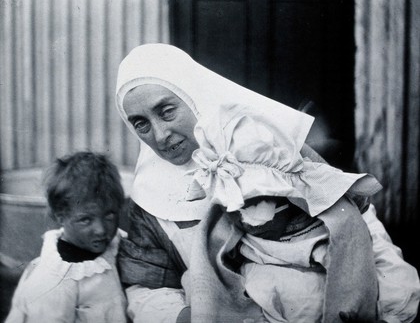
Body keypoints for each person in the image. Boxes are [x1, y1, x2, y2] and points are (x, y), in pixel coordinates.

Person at [115, 43, 420, 323]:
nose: (160, 135)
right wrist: (188, 316)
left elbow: (359, 231)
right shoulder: (149, 200)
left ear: (195, 97)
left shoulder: (272, 151)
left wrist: (392, 308)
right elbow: (145, 283)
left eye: (167, 111)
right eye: (140, 123)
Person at [185, 103, 385, 322]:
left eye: (257, 202)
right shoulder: (229, 233)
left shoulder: (325, 232)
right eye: (233, 204)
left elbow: (353, 277)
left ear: (290, 198)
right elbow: (206, 270)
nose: (243, 216)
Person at [6, 152, 128, 323]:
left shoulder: (116, 244)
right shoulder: (54, 282)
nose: (101, 230)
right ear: (60, 216)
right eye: (85, 220)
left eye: (109, 215)